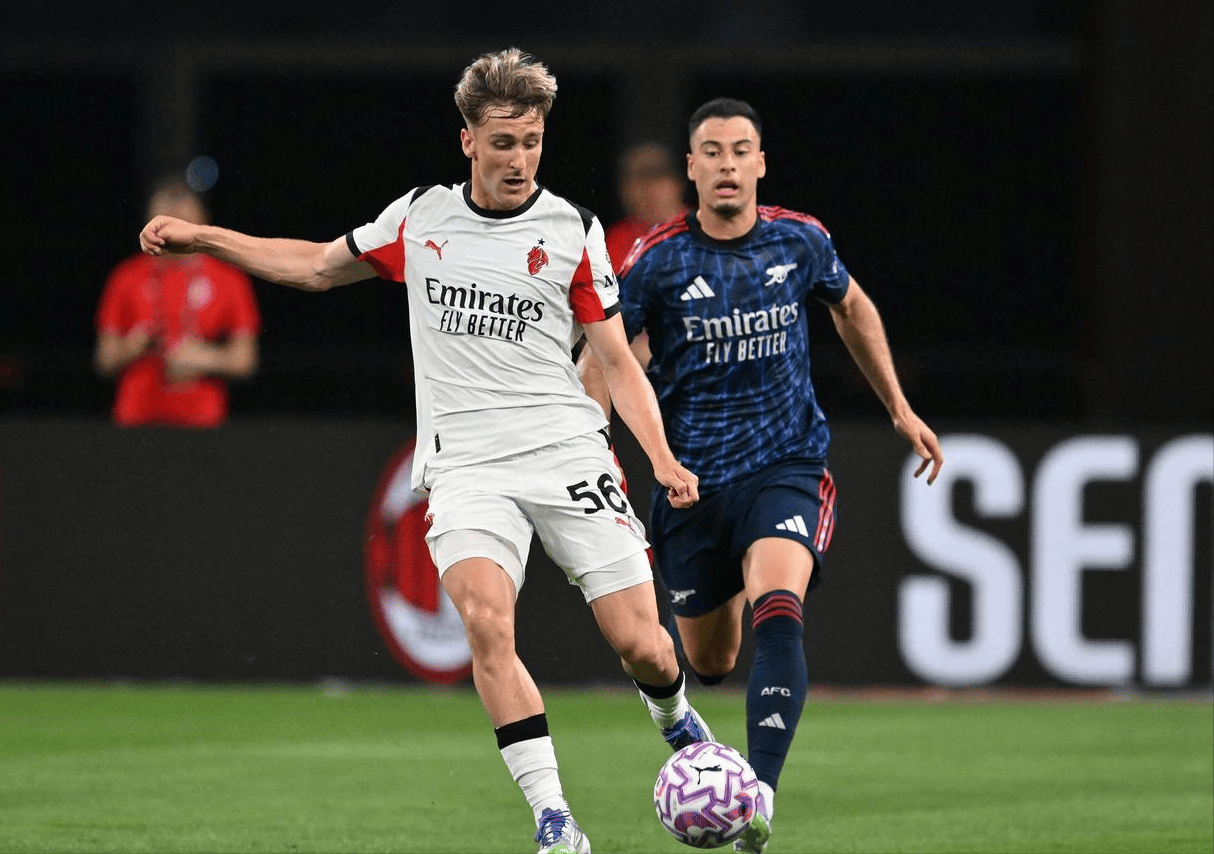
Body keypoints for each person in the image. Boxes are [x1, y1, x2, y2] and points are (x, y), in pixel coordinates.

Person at [139, 48, 713, 854]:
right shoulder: (422, 218)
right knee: (485, 623)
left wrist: (661, 457)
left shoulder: (572, 230)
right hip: (467, 466)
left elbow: (617, 360)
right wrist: (206, 238)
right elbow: (315, 267)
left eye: (532, 142)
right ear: (468, 141)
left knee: (642, 645)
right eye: (503, 143)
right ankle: (555, 821)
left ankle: (676, 718)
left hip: (566, 451)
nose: (519, 159)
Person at [577, 98, 945, 854]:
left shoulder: (799, 239)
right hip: (692, 486)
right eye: (712, 152)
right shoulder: (656, 260)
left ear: (761, 164)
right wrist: (592, 453)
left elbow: (852, 308)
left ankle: (760, 799)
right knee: (710, 662)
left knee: (780, 601)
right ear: (691, 168)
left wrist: (900, 409)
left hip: (786, 465)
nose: (727, 165)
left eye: (740, 151)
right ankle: (741, 571)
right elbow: (602, 361)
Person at [95, 177, 260, 427]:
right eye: (163, 224)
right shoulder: (126, 276)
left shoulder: (229, 278)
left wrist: (204, 358)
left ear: (202, 222)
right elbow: (103, 361)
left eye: (182, 224)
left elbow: (245, 360)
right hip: (136, 417)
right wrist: (131, 347)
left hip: (202, 420)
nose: (173, 234)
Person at [604, 141, 688, 272]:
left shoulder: (710, 231)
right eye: (637, 177)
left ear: (678, 181)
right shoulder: (612, 244)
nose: (647, 187)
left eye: (656, 174)